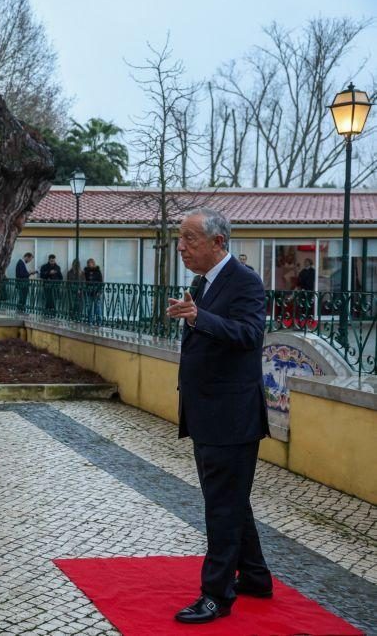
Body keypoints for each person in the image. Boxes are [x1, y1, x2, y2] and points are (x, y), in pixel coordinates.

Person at [167, 207, 270, 624]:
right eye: (180, 239)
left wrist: (199, 317)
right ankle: (257, 577)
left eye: (190, 239)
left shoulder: (246, 282)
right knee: (229, 501)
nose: (182, 247)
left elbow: (248, 334)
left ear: (218, 243)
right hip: (207, 412)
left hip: (231, 416)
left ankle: (216, 595)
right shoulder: (201, 283)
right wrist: (195, 315)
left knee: (222, 509)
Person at [83, 258, 104, 325]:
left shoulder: (97, 271)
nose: (89, 264)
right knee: (89, 307)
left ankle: (99, 321)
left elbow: (101, 282)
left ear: (93, 263)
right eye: (88, 263)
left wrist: (99, 291)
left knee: (97, 307)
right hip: (89, 291)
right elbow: (85, 281)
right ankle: (90, 320)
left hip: (96, 291)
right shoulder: (86, 272)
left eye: (91, 263)